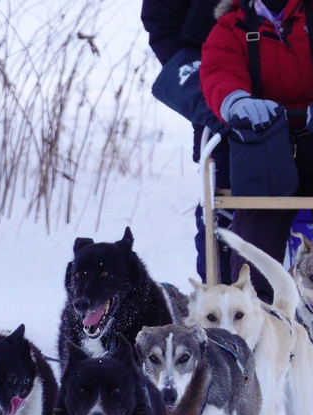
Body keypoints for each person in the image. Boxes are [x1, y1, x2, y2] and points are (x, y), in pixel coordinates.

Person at [200, 0, 313, 319]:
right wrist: (236, 100)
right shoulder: (232, 26)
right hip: (265, 148)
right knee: (259, 213)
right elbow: (219, 70)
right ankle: (252, 309)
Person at [141, 0, 235, 283]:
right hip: (217, 97)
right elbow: (161, 24)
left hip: (308, 100)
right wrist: (205, 85)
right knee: (222, 203)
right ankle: (220, 308)